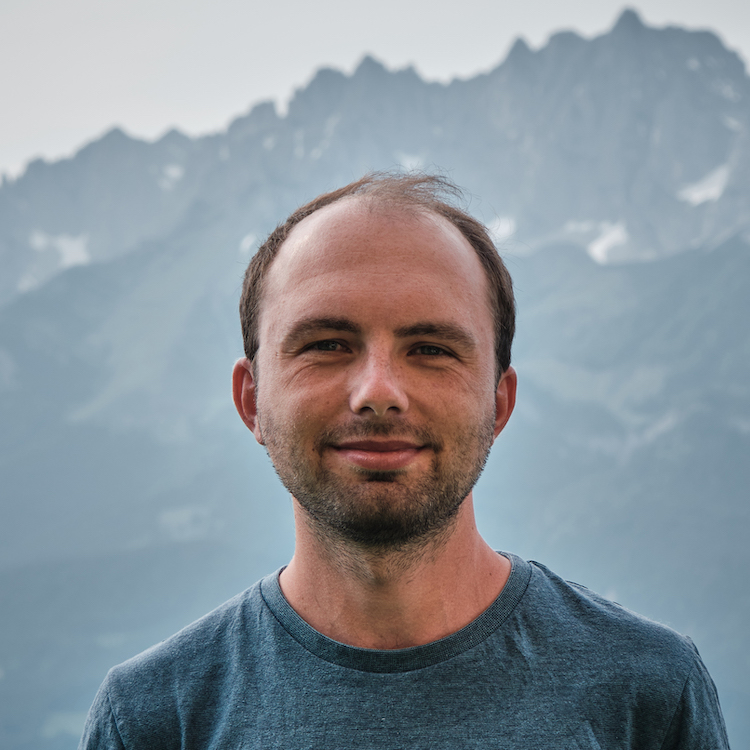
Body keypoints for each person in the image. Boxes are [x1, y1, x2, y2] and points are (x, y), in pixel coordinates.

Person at [79, 173, 730, 749]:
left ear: (499, 403)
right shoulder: (154, 720)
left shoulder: (648, 691)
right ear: (252, 401)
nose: (379, 392)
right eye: (328, 343)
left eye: (432, 349)